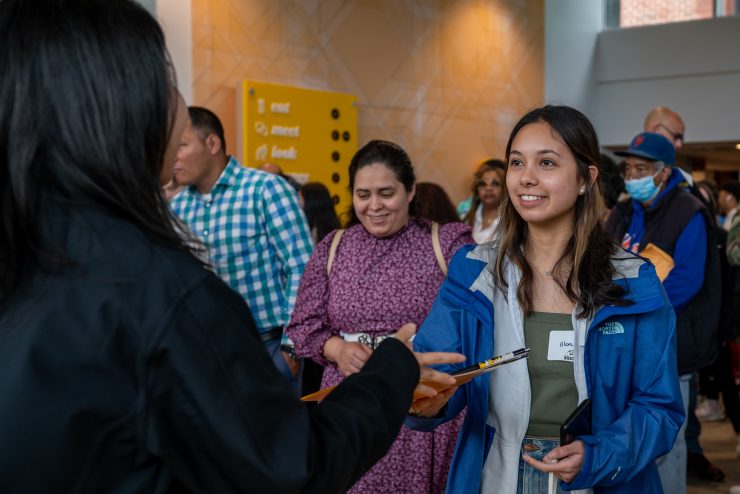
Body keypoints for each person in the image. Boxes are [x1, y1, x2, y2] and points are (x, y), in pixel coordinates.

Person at [0, 1, 467, 491]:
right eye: (168, 81)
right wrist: (392, 365)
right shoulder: (161, 293)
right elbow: (291, 466)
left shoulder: (32, 263)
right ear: (127, 106)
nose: (181, 114)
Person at [408, 105, 683, 493]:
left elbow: (659, 406)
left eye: (547, 163)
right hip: (495, 471)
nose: (526, 179)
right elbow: (439, 377)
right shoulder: (473, 273)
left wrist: (599, 453)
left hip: (598, 475)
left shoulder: (633, 281)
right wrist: (422, 397)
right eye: (516, 163)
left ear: (586, 179)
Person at [286, 140, 474, 493]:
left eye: (386, 193)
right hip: (350, 397)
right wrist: (336, 349)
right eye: (363, 194)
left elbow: (474, 315)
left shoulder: (444, 242)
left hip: (419, 397)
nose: (374, 206)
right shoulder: (334, 246)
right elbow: (303, 324)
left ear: (410, 190)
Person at [605, 131, 722, 488]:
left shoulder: (690, 212)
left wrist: (631, 306)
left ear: (664, 172)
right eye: (629, 168)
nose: (633, 176)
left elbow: (685, 281)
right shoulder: (626, 211)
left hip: (671, 343)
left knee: (666, 441)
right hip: (626, 339)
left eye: (641, 169)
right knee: (630, 435)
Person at [170, 107, 313, 386]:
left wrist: (291, 348)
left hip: (266, 344)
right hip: (205, 350)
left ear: (212, 143)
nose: (173, 156)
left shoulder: (265, 189)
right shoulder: (177, 207)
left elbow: (303, 268)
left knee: (276, 429)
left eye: (181, 146)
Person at [462, 159, 507, 243]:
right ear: (477, 189)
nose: (488, 188)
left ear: (505, 188)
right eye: (483, 184)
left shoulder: (512, 221)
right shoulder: (466, 217)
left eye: (495, 183)